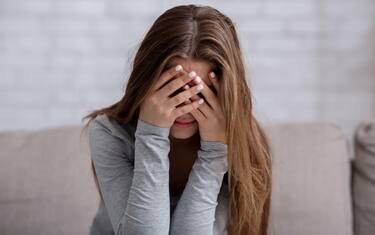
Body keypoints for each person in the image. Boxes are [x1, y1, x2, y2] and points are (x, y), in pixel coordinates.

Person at [81, 4, 272, 235]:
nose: (184, 109)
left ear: (224, 93)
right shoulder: (110, 133)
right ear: (148, 82)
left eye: (201, 93)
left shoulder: (240, 143)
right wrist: (151, 133)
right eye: (174, 90)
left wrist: (214, 153)